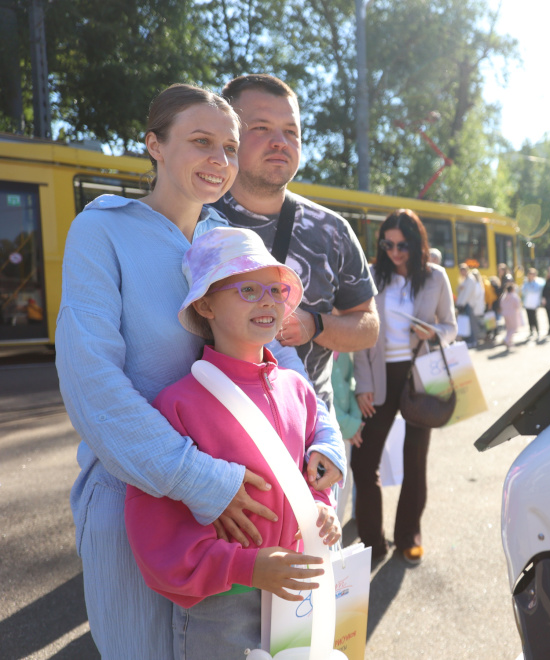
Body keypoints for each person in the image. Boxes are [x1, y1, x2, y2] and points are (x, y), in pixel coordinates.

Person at [55, 84, 345, 658]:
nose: (220, 159)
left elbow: (280, 346)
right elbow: (92, 383)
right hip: (139, 496)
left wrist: (326, 438)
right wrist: (203, 482)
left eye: (230, 147)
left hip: (246, 508)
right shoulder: (102, 230)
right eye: (201, 141)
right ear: (154, 145)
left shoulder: (227, 237)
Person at [125, 227, 342, 658]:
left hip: (295, 593)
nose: (268, 301)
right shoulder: (178, 405)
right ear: (205, 305)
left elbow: (311, 473)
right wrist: (245, 565)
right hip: (219, 605)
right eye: (248, 289)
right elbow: (156, 528)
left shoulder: (298, 390)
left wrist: (321, 506)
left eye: (277, 290)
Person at [212, 74, 379, 422]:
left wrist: (316, 325)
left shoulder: (333, 231)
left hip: (311, 436)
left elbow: (369, 325)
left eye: (291, 131)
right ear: (229, 136)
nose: (280, 142)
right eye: (261, 128)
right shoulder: (192, 222)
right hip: (213, 431)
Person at [352, 209, 457, 565]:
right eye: (388, 245)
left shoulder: (436, 277)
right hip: (379, 376)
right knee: (364, 462)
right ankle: (372, 541)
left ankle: (408, 534)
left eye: (402, 245)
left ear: (416, 244)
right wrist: (363, 384)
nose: (395, 252)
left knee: (415, 461)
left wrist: (434, 332)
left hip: (421, 375)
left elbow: (451, 327)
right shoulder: (371, 276)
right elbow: (361, 332)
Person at [331, 349, 364, 518]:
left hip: (347, 432)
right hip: (328, 432)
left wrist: (356, 420)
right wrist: (350, 425)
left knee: (345, 483)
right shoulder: (311, 350)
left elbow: (351, 383)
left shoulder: (342, 350)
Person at [456, 262, 483, 347]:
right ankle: (469, 340)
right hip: (465, 304)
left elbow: (467, 294)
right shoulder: (466, 279)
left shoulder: (470, 279)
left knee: (470, 324)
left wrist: (461, 304)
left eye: (462, 270)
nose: (461, 273)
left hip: (468, 304)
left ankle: (472, 340)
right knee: (466, 323)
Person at [521, 267, 545, 339]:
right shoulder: (526, 283)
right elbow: (523, 291)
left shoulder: (538, 283)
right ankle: (531, 331)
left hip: (534, 303)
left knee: (534, 318)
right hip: (527, 303)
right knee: (529, 318)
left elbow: (537, 292)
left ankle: (537, 331)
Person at [501, 282, 523, 348]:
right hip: (512, 314)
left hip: (505, 313)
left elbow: (501, 304)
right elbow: (518, 305)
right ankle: (507, 340)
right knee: (513, 328)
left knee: (509, 328)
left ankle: (509, 341)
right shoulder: (514, 296)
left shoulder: (504, 296)